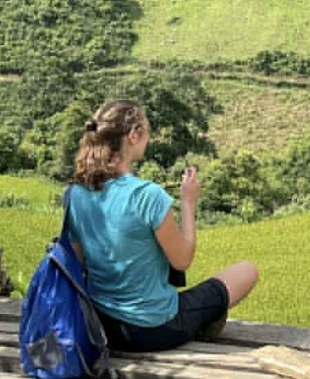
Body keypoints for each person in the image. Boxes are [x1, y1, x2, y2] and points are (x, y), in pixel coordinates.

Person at [67, 99, 259, 352]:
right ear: (134, 135)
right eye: (147, 130)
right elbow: (182, 260)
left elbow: (78, 260)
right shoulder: (147, 195)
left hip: (102, 326)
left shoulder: (76, 193)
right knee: (246, 271)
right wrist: (188, 203)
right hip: (153, 329)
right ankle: (200, 324)